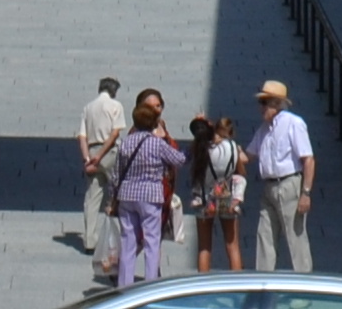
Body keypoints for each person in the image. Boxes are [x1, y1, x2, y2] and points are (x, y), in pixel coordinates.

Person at [104, 89, 186, 288]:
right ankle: (150, 286)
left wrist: (113, 197)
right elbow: (179, 160)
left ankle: (124, 286)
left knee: (128, 242)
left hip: (127, 196)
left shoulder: (126, 143)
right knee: (151, 242)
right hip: (150, 196)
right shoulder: (156, 143)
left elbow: (116, 174)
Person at [249, 78, 318, 271]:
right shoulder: (264, 130)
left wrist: (306, 192)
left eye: (265, 102)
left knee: (296, 239)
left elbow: (308, 159)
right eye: (260, 102)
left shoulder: (293, 123)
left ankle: (304, 286)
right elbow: (247, 156)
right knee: (265, 236)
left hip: (289, 184)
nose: (261, 107)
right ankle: (263, 283)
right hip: (269, 186)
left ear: (277, 103)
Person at [76, 73, 128, 281]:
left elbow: (82, 136)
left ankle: (89, 241)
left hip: (92, 152)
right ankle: (114, 240)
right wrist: (101, 156)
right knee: (116, 196)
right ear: (114, 90)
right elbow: (115, 134)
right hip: (110, 153)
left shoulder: (88, 107)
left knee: (92, 197)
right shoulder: (116, 106)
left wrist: (88, 158)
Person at [191, 111, 245, 272]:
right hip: (226, 194)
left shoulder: (202, 149)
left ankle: (203, 284)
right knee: (232, 244)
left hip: (205, 197)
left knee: (204, 247)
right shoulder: (232, 147)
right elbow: (241, 172)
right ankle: (237, 283)